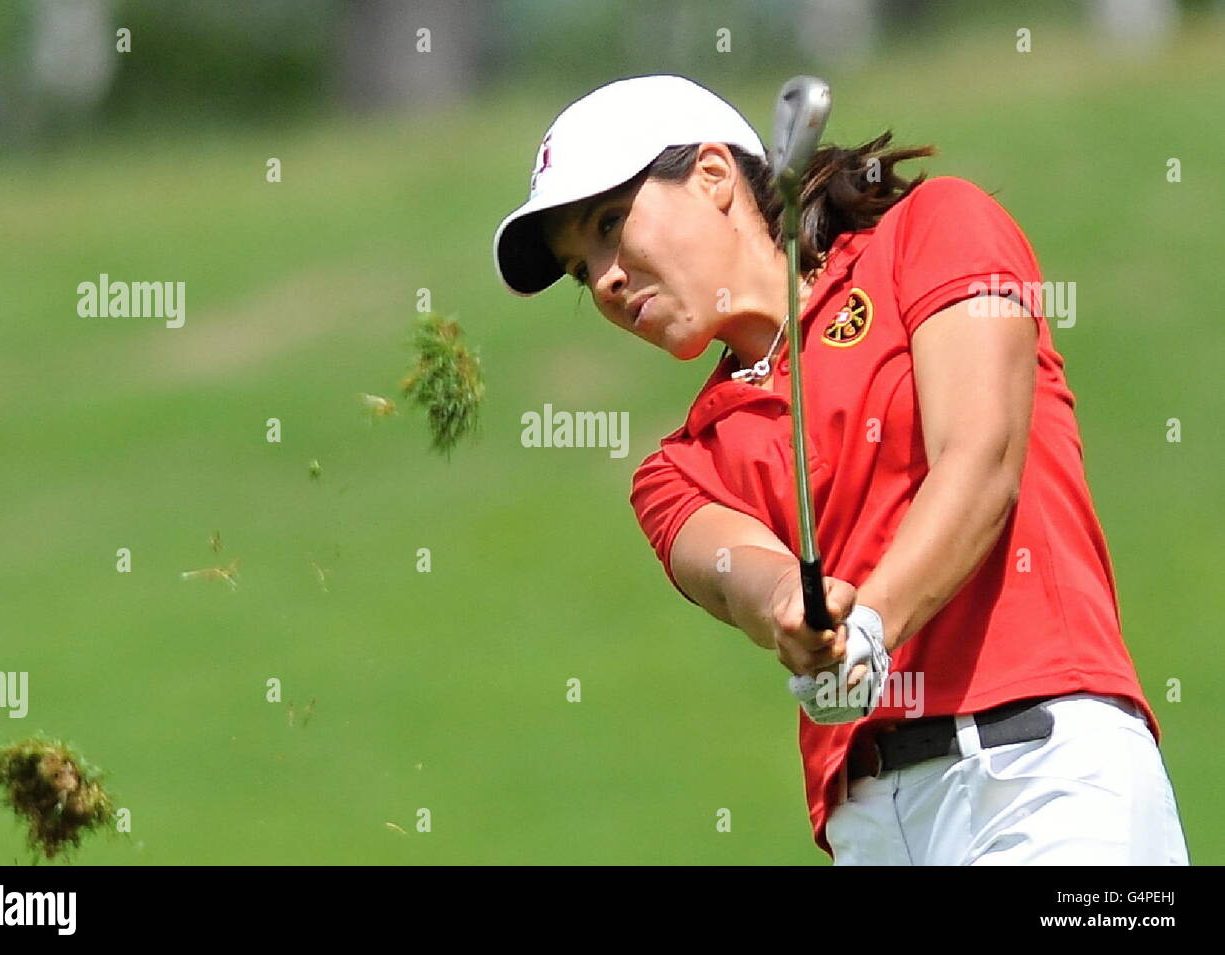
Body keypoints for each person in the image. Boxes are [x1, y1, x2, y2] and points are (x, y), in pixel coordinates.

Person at [492, 74, 1189, 865]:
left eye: (611, 224)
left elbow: (981, 456)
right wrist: (799, 614)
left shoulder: (933, 230)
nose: (607, 279)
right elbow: (740, 574)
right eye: (582, 269)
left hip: (1044, 777)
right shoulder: (678, 466)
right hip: (874, 828)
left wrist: (871, 625)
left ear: (715, 177)